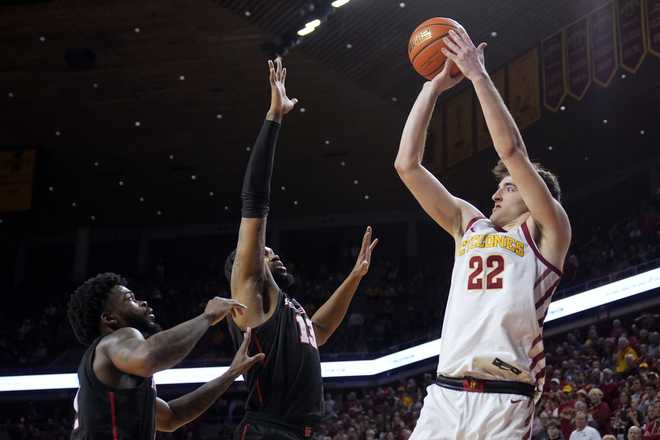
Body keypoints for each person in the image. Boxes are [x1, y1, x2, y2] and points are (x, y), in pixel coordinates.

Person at [395, 27, 571, 439]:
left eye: (508, 187)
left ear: (535, 197)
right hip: (445, 396)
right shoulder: (469, 225)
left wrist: (478, 76)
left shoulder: (548, 232)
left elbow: (511, 152)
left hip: (503, 398)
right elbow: (407, 165)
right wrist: (433, 89)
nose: (496, 191)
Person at [225, 57, 378, 440]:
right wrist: (274, 119)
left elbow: (321, 329)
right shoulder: (248, 291)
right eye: (264, 250)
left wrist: (355, 276)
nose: (272, 252)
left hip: (303, 432)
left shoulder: (286, 307)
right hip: (269, 430)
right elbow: (253, 201)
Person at [66, 272, 264, 439]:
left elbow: (171, 417)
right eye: (130, 299)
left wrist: (230, 374)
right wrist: (207, 317)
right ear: (109, 319)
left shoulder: (109, 379)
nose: (143, 302)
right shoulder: (117, 339)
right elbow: (149, 357)